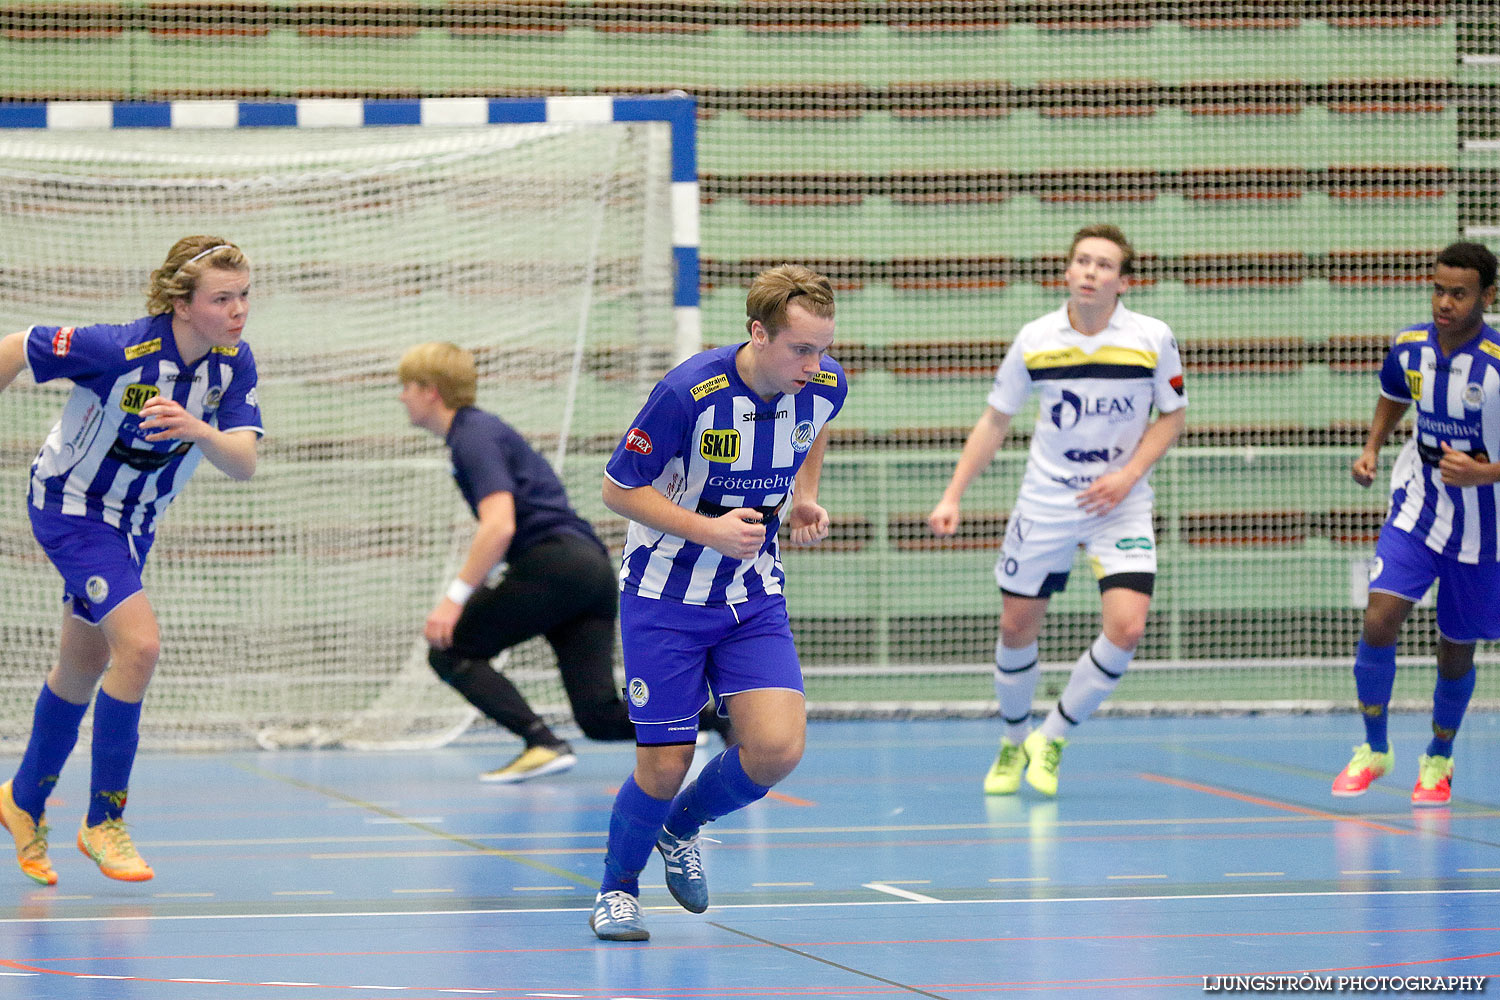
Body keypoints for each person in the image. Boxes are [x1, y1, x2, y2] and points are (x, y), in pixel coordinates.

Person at [588, 264, 845, 941]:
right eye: (800, 348)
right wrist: (708, 530)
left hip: (752, 595)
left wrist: (806, 495)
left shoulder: (822, 383)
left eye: (823, 347)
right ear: (758, 333)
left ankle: (681, 829)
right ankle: (617, 890)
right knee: (665, 763)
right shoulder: (687, 394)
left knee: (777, 749)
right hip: (664, 594)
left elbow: (816, 423)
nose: (815, 363)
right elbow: (617, 489)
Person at [0, 236, 262, 885]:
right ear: (181, 302)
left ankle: (22, 800)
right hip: (72, 509)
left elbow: (244, 463)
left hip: (134, 523)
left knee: (83, 663)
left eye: (244, 295)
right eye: (221, 298)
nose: (238, 311)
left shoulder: (232, 364)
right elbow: (15, 346)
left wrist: (199, 430)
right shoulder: (117, 349)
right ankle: (104, 819)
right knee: (139, 648)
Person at [928, 224, 1188, 798]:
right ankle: (1014, 738)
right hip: (1046, 501)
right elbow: (996, 419)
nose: (1092, 271)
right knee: (1016, 627)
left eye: (1105, 264)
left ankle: (1054, 735)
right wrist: (953, 494)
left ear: (1124, 280)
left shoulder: (1151, 337)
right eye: (1083, 262)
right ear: (1067, 272)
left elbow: (1172, 416)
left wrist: (1125, 476)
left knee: (1128, 626)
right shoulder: (1036, 338)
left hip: (1119, 504)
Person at [398, 343, 728, 783]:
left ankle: (540, 740)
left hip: (555, 565)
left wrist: (454, 598)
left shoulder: (471, 436)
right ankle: (723, 719)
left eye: (406, 386)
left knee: (449, 649)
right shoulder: (482, 432)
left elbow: (498, 527)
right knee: (598, 715)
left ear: (431, 391)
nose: (401, 397)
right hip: (588, 569)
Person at [1332, 241, 1500, 807]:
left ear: (1487, 296)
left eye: (1459, 292)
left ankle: (1439, 756)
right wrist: (1372, 448)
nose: (1444, 302)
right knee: (1379, 621)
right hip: (1419, 500)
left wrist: (1487, 473)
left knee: (1455, 650)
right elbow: (1393, 394)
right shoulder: (1409, 346)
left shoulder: (1498, 362)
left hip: (1485, 521)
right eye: (1438, 289)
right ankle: (1374, 748)